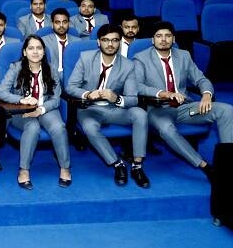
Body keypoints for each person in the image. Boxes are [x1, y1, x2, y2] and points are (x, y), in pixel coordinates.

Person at [134, 21, 233, 182]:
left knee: (227, 110)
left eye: (168, 36)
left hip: (186, 109)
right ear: (153, 40)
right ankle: (205, 167)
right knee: (167, 129)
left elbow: (201, 79)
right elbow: (137, 86)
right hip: (158, 110)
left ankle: (227, 163)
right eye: (159, 36)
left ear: (173, 39)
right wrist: (164, 94)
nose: (163, 39)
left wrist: (206, 95)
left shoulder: (183, 56)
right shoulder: (141, 58)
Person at [66, 24, 150, 188]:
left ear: (120, 42)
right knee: (90, 127)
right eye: (105, 40)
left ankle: (137, 165)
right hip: (89, 109)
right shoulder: (85, 58)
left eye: (115, 40)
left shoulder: (128, 65)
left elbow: (133, 99)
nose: (110, 44)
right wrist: (88, 94)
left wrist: (116, 98)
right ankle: (117, 163)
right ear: (99, 42)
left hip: (114, 109)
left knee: (140, 114)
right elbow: (71, 87)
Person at [0, 35, 71, 190]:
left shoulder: (51, 69)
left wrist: (41, 109)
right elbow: (1, 92)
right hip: (21, 111)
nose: (35, 52)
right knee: (33, 127)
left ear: (44, 51)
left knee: (58, 127)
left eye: (39, 48)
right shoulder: (15, 68)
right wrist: (21, 99)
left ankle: (65, 167)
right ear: (24, 52)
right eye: (31, 48)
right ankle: (24, 170)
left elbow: (56, 98)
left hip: (46, 108)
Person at [41, 8, 80, 74]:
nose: (61, 25)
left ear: (69, 23)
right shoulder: (43, 42)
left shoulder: (77, 42)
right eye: (57, 22)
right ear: (52, 24)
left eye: (64, 22)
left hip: (72, 75)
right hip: (51, 76)